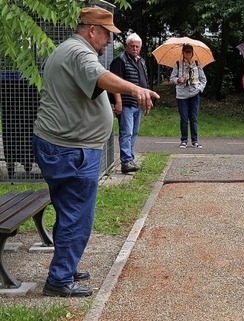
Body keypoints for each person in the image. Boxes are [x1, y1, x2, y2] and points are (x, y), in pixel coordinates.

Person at [32, 7, 159, 297]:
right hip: (70, 149)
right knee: (78, 214)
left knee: (69, 210)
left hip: (63, 146)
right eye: (107, 34)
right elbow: (101, 77)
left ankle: (67, 264)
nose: (109, 41)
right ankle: (59, 279)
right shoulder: (80, 53)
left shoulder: (70, 49)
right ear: (92, 30)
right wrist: (134, 88)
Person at [109, 33, 148, 173]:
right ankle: (126, 161)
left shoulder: (141, 61)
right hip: (126, 103)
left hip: (137, 103)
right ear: (127, 46)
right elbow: (114, 82)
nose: (135, 49)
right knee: (126, 132)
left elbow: (143, 82)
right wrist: (118, 102)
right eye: (132, 46)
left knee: (134, 132)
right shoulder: (120, 60)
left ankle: (130, 158)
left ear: (141, 47)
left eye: (137, 46)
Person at [170, 44, 207, 149]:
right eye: (186, 52)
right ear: (183, 53)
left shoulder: (197, 64)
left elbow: (203, 79)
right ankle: (184, 140)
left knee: (194, 118)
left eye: (190, 52)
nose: (188, 54)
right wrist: (178, 80)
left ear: (192, 53)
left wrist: (199, 88)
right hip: (182, 94)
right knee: (184, 118)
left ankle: (195, 140)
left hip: (194, 94)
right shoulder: (178, 64)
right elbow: (172, 77)